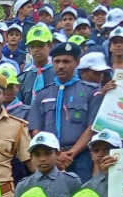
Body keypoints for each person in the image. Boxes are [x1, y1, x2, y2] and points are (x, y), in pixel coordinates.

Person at [28, 41, 101, 182]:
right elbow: (36, 129)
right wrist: (54, 155)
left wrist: (70, 154)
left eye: (66, 61)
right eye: (57, 61)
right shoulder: (42, 94)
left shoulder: (91, 91)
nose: (61, 66)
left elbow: (93, 127)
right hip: (49, 158)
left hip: (81, 158)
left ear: (77, 62)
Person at [18, 26, 56, 106]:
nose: (36, 49)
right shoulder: (22, 79)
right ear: (28, 50)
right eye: (32, 46)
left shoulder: (58, 74)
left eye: (40, 45)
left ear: (50, 45)